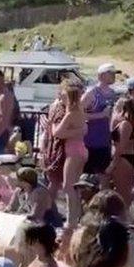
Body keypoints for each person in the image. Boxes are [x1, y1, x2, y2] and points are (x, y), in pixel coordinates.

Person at [55, 83, 88, 228]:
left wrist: (53, 126)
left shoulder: (71, 114)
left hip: (73, 151)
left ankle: (71, 219)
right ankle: (77, 217)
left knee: (68, 187)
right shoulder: (80, 110)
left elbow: (58, 133)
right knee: (75, 187)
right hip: (81, 149)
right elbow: (83, 130)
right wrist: (78, 131)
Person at [83, 63, 118, 175]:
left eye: (114, 73)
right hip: (90, 141)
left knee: (104, 176)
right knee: (87, 176)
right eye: (110, 73)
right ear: (101, 75)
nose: (113, 76)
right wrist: (100, 115)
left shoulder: (113, 94)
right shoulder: (91, 93)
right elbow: (78, 115)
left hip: (105, 141)